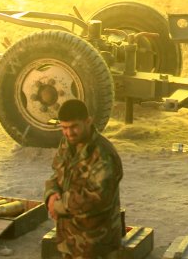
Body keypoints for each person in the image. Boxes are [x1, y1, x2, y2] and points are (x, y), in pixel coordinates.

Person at [44, 99, 124, 259]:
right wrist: (51, 195)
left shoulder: (103, 154)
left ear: (88, 121)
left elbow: (97, 198)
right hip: (69, 240)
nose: (69, 133)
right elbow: (57, 173)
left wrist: (59, 206)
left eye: (74, 126)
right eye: (64, 128)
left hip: (96, 245)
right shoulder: (67, 144)